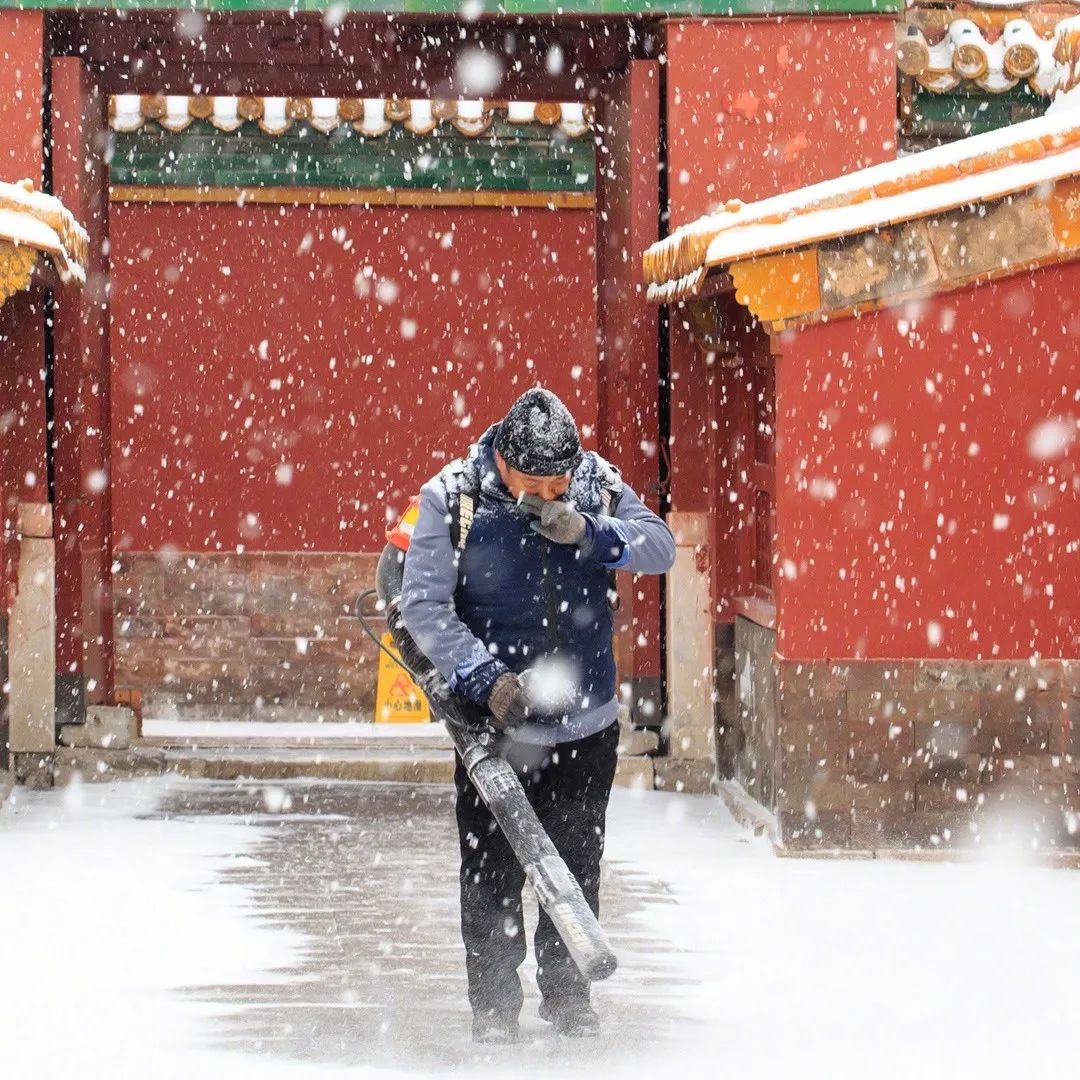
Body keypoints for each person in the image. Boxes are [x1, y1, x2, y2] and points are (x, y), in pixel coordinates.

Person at [399, 387, 675, 1045]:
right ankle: (494, 1010)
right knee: (490, 874)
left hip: (586, 724)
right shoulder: (452, 498)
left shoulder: (595, 484)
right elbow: (424, 607)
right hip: (495, 732)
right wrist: (485, 678)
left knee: (576, 864)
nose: (550, 496)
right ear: (503, 460)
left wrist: (592, 532)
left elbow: (660, 547)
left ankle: (569, 998)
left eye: (559, 484)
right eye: (536, 485)